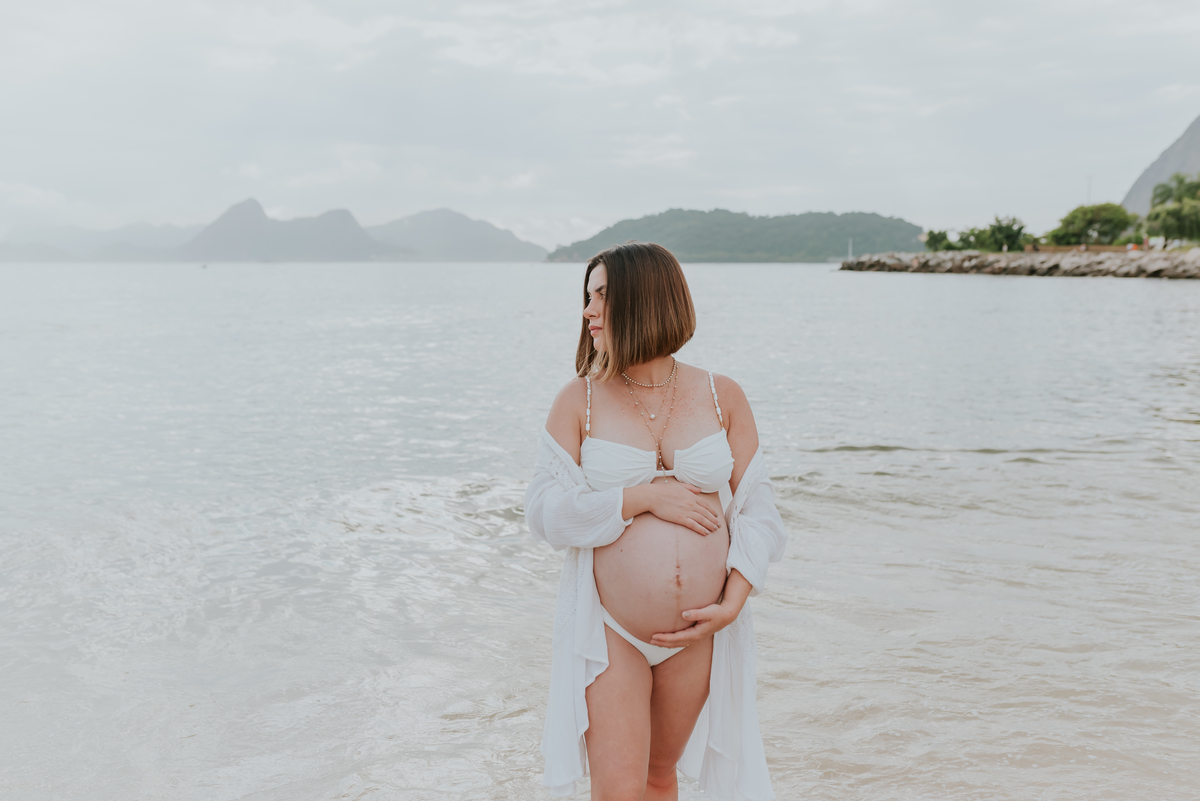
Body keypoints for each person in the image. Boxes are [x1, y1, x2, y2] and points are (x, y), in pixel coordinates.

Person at [524, 242, 788, 800]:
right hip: (611, 631)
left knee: (660, 778)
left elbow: (759, 511)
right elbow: (545, 515)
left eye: (602, 297)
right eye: (587, 297)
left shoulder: (723, 396)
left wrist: (734, 599)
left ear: (645, 301)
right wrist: (638, 499)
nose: (588, 312)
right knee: (620, 792)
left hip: (701, 629)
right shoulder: (580, 401)